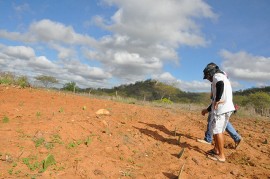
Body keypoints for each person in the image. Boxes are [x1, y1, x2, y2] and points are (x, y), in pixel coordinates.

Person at [202, 62, 236, 162]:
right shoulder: (224, 77)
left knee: (217, 131)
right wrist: (207, 110)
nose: (208, 79)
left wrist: (217, 100)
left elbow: (220, 84)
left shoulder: (217, 76)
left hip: (222, 108)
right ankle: (216, 150)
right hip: (227, 107)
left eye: (208, 77)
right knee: (217, 130)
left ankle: (221, 156)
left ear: (211, 73)